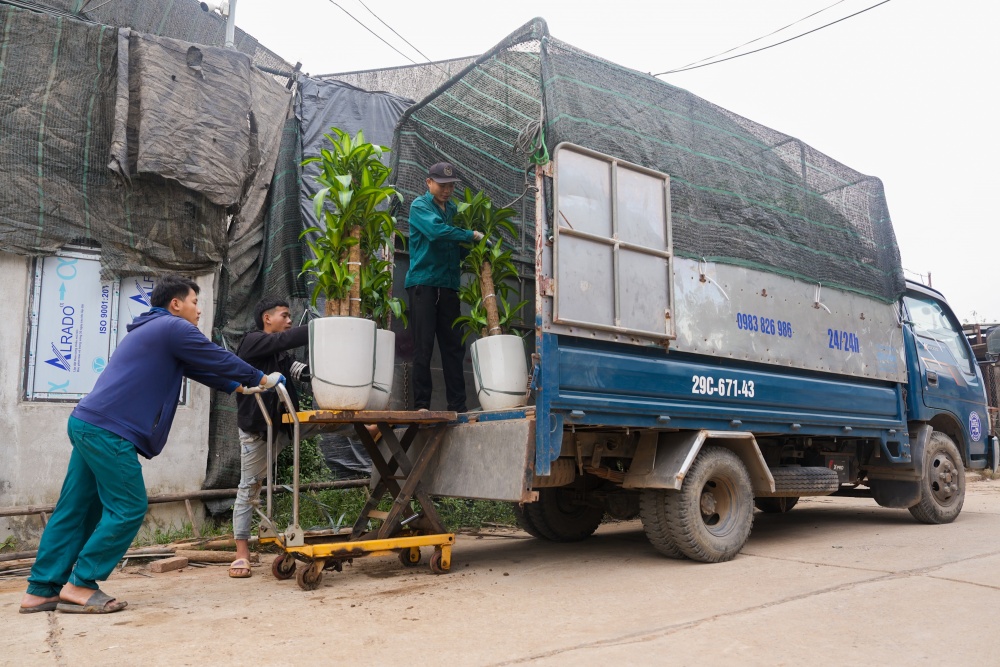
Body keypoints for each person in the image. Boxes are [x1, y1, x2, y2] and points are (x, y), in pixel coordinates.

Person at [19, 275, 280, 614]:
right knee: (129, 506)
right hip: (109, 431)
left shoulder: (152, 329)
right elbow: (214, 355)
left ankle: (40, 590)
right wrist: (260, 377)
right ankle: (80, 584)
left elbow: (196, 367)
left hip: (88, 422)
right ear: (176, 304)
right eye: (195, 302)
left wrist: (238, 386)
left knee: (76, 510)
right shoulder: (174, 327)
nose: (199, 310)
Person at [228, 297, 310, 578]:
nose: (289, 321)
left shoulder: (281, 354)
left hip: (285, 424)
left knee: (331, 422)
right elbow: (283, 340)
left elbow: (297, 369)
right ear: (267, 318)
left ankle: (367, 430)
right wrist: (323, 328)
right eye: (284, 315)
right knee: (250, 486)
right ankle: (241, 553)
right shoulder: (252, 341)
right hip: (258, 428)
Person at [405, 162, 484, 412]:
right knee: (423, 346)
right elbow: (437, 232)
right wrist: (470, 235)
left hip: (448, 286)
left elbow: (456, 247)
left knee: (453, 347)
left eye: (451, 185)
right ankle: (421, 405)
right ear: (429, 182)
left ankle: (457, 406)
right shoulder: (419, 206)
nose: (447, 190)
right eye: (442, 185)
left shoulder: (454, 211)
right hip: (424, 285)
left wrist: (476, 251)